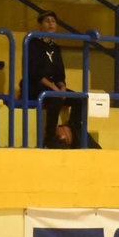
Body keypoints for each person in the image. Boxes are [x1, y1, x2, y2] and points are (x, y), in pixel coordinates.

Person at [22, 10, 93, 149]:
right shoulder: (32, 43)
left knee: (79, 98)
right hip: (35, 85)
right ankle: (49, 138)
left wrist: (62, 87)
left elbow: (60, 74)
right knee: (54, 97)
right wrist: (54, 89)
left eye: (53, 21)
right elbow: (34, 73)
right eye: (47, 21)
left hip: (52, 86)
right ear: (40, 25)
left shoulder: (56, 47)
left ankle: (73, 131)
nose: (51, 24)